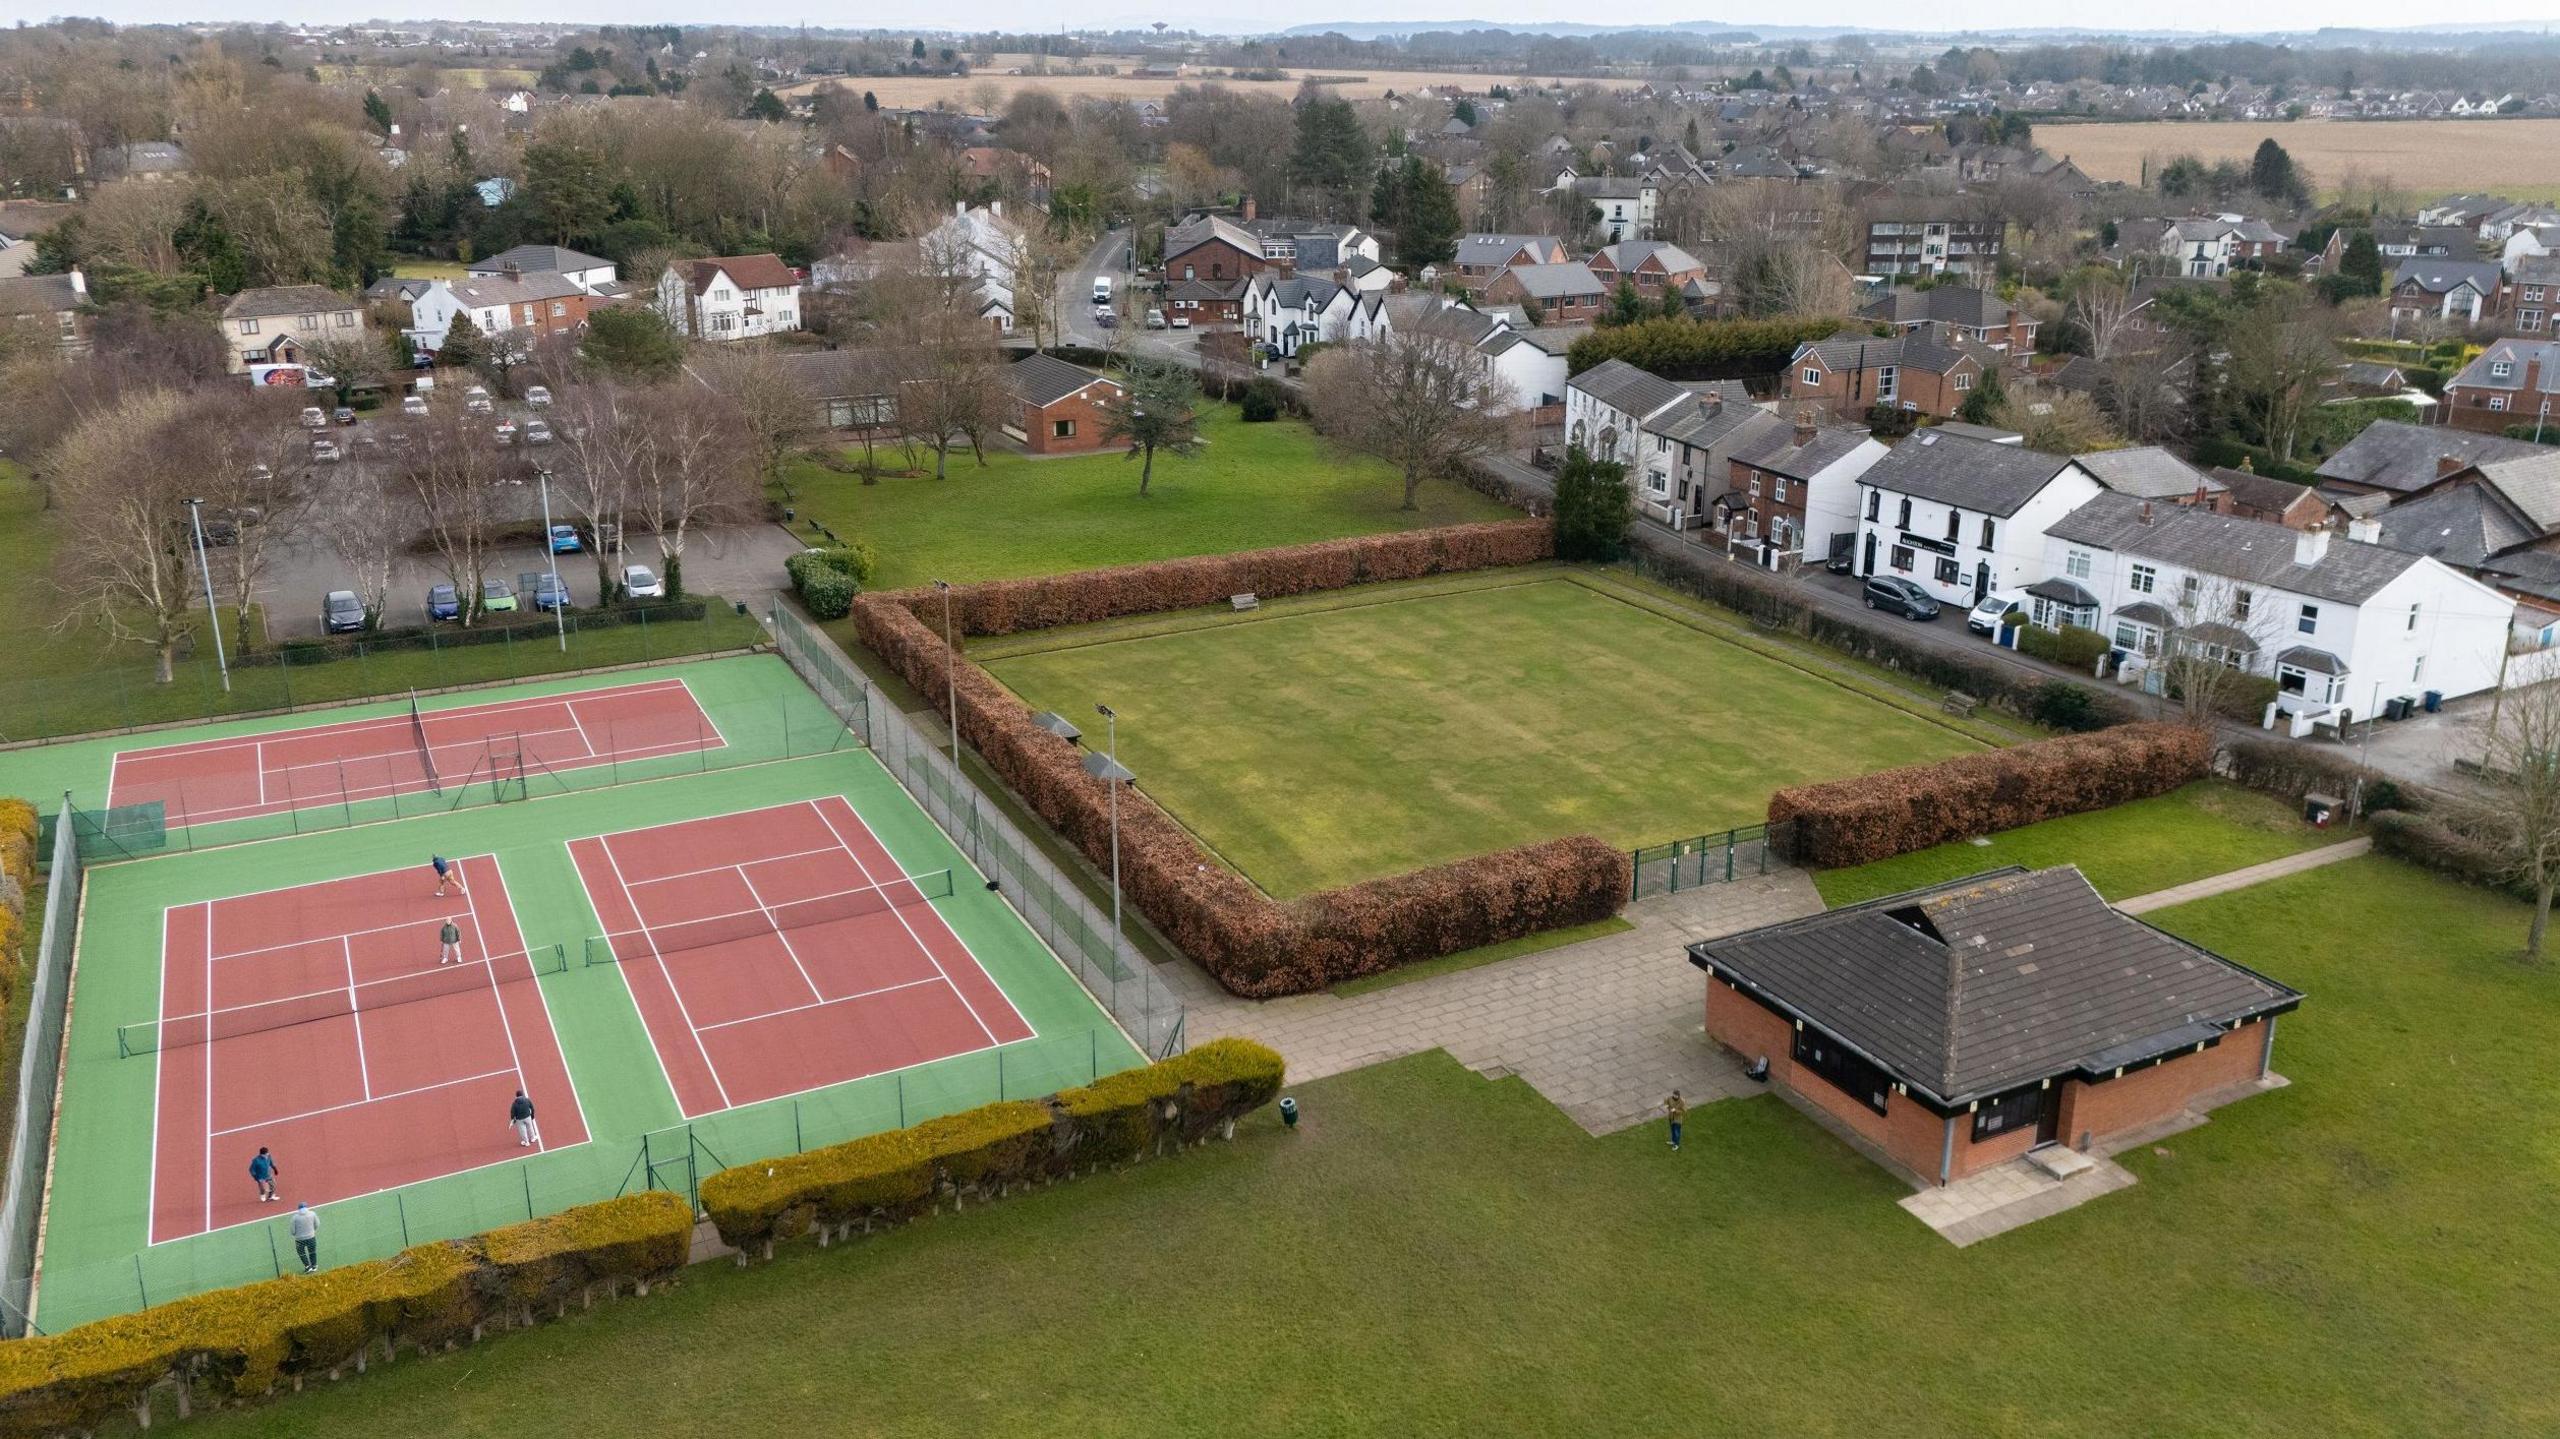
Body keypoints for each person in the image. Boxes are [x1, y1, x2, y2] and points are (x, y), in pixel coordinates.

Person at [289, 1202, 320, 1274]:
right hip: (311, 1237)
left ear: (298, 1209)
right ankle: (314, 1266)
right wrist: (312, 1231)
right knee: (312, 1252)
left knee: (301, 1252)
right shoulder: (312, 1214)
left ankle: (307, 1266)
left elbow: (292, 1230)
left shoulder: (295, 1217)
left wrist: (296, 1234)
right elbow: (317, 1224)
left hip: (299, 1240)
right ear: (306, 1207)